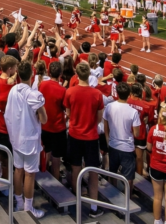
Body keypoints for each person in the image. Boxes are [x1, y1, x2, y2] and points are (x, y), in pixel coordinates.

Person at [5, 60, 47, 218]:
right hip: (29, 139)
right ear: (31, 74)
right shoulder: (34, 95)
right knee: (29, 174)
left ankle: (18, 203)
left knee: (18, 170)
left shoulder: (13, 90)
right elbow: (44, 119)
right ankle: (28, 208)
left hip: (16, 137)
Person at [64, 62, 105, 219]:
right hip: (91, 137)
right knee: (93, 171)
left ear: (77, 74)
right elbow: (99, 117)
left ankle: (77, 201)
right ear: (89, 74)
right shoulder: (97, 94)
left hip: (74, 135)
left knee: (76, 168)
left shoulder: (70, 92)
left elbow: (68, 113)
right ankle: (94, 207)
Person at [103, 82, 140, 192]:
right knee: (129, 177)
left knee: (112, 172)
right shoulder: (133, 112)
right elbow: (137, 134)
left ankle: (113, 194)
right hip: (127, 148)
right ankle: (127, 198)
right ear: (129, 95)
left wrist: (108, 140)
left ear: (118, 94)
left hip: (113, 145)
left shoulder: (109, 107)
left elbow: (106, 126)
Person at [39, 61, 68, 181]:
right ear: (60, 74)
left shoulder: (42, 85)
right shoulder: (62, 90)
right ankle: (56, 183)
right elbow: (65, 108)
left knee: (46, 152)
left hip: (44, 126)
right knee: (56, 158)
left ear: (49, 72)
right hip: (57, 128)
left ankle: (44, 177)